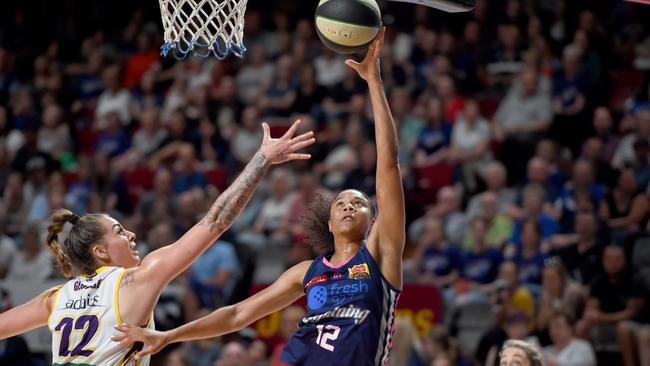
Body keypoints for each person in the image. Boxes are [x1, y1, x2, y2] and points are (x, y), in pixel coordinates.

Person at [113, 28, 406, 366]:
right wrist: (168, 336)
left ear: (373, 219)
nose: (349, 205)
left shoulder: (381, 254)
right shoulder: (306, 273)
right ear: (328, 221)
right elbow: (238, 314)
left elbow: (388, 165)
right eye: (341, 201)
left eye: (359, 203)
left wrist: (373, 81)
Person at [0, 119, 315, 365]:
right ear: (100, 251)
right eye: (120, 231)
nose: (132, 234)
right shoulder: (138, 279)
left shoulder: (56, 297)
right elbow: (215, 220)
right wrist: (262, 159)